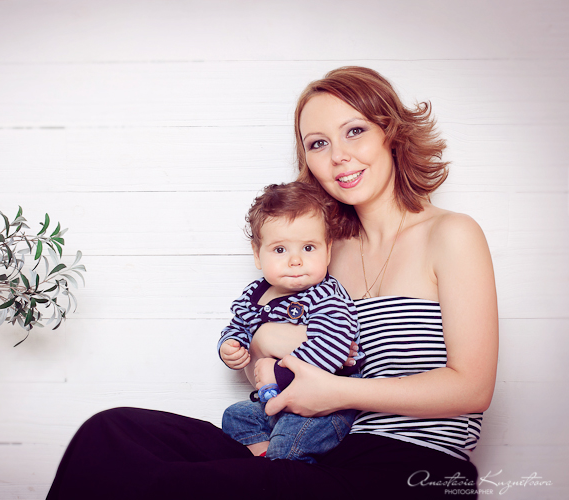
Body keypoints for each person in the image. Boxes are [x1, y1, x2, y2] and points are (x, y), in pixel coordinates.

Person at [46, 66, 498, 500]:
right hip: (318, 448)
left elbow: (473, 390)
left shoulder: (451, 234)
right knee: (111, 433)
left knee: (177, 487)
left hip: (412, 470)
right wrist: (260, 340)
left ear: (391, 134)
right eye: (318, 143)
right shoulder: (322, 251)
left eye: (355, 131)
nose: (338, 156)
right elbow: (267, 363)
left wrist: (335, 392)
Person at [218, 181, 362, 463]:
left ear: (328, 251)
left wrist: (277, 373)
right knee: (236, 416)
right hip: (278, 401)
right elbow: (239, 325)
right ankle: (264, 463)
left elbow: (332, 349)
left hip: (325, 408)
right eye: (280, 250)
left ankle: (284, 471)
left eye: (308, 247)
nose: (295, 260)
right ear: (257, 254)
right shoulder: (255, 294)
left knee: (289, 442)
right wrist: (231, 344)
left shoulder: (325, 295)